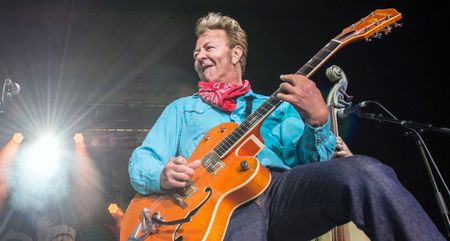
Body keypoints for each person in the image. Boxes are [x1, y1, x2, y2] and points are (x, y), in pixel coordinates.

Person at [128, 12, 446, 241]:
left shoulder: (276, 106)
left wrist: (318, 122)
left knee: (366, 172)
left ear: (236, 53)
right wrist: (160, 174)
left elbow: (311, 164)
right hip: (215, 205)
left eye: (209, 48)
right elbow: (141, 160)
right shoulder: (183, 109)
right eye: (197, 52)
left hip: (279, 191)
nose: (200, 56)